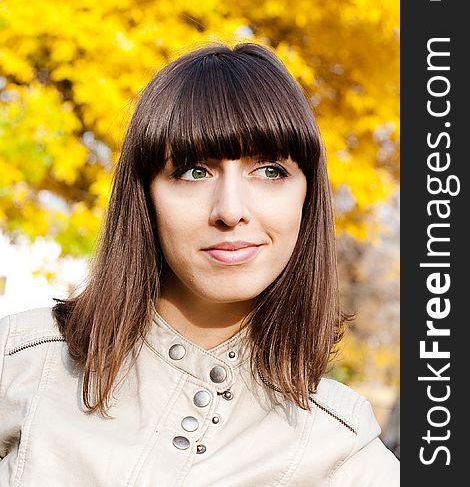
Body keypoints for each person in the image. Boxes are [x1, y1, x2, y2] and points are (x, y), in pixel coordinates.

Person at [0, 42, 399, 486]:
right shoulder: (23, 363)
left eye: (269, 171)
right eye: (193, 171)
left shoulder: (342, 450)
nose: (230, 210)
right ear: (146, 196)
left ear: (307, 198)